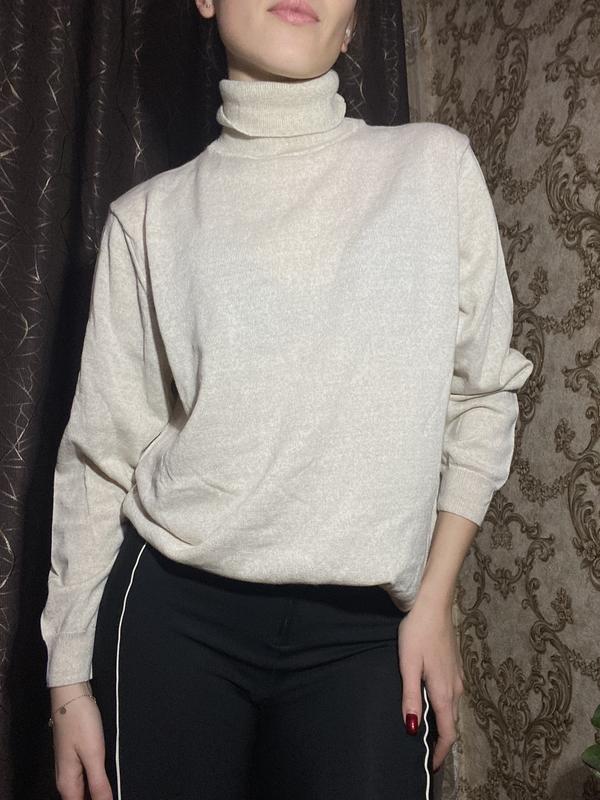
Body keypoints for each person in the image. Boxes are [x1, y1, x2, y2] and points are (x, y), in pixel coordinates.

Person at [40, 0, 534, 798]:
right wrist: (68, 686)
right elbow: (99, 462)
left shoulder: (434, 169)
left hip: (368, 631)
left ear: (353, 22)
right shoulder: (147, 221)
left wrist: (435, 601)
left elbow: (483, 395)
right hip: (175, 618)